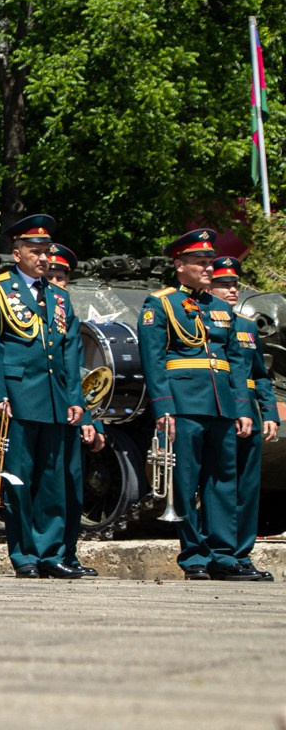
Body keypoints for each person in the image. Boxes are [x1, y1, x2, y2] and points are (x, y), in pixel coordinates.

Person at [0, 214, 88, 579]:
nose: (43, 259)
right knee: (18, 480)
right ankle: (24, 555)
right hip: (17, 398)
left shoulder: (58, 297)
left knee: (53, 481)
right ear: (17, 252)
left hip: (54, 399)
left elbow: (70, 351)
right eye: (35, 252)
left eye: (47, 253)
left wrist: (75, 398)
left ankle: (51, 553)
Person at [140, 230, 256, 580]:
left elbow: (236, 363)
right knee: (185, 483)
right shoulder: (160, 303)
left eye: (210, 262)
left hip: (222, 406)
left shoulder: (221, 309)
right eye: (201, 262)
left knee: (223, 482)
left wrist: (242, 409)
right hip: (184, 405)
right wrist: (164, 409)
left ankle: (224, 555)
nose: (209, 268)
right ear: (180, 265)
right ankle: (194, 557)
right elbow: (154, 360)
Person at [210, 257, 279, 581]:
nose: (232, 289)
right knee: (216, 486)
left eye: (235, 283)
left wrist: (269, 412)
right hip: (216, 410)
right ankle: (214, 554)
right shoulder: (203, 323)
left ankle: (241, 554)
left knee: (247, 489)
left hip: (249, 412)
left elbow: (260, 375)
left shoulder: (247, 327)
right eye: (225, 284)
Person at [46, 244, 100, 577]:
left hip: (69, 412)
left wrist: (91, 419)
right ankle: (44, 554)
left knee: (71, 485)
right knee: (47, 487)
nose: (55, 281)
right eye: (49, 275)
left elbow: (78, 375)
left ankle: (67, 552)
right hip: (38, 409)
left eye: (61, 276)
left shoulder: (69, 319)